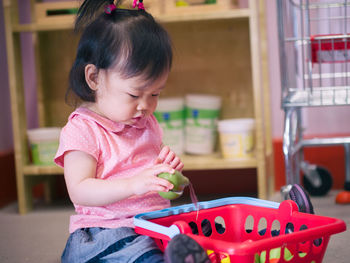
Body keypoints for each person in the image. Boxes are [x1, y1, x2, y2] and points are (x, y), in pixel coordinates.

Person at [54, 0, 210, 262]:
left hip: (153, 223)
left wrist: (168, 176)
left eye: (155, 94)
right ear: (93, 78)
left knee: (207, 229)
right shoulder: (83, 129)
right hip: (108, 231)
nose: (146, 105)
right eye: (134, 94)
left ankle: (276, 233)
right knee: (143, 254)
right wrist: (133, 184)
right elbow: (80, 190)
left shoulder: (145, 121)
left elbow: (152, 183)